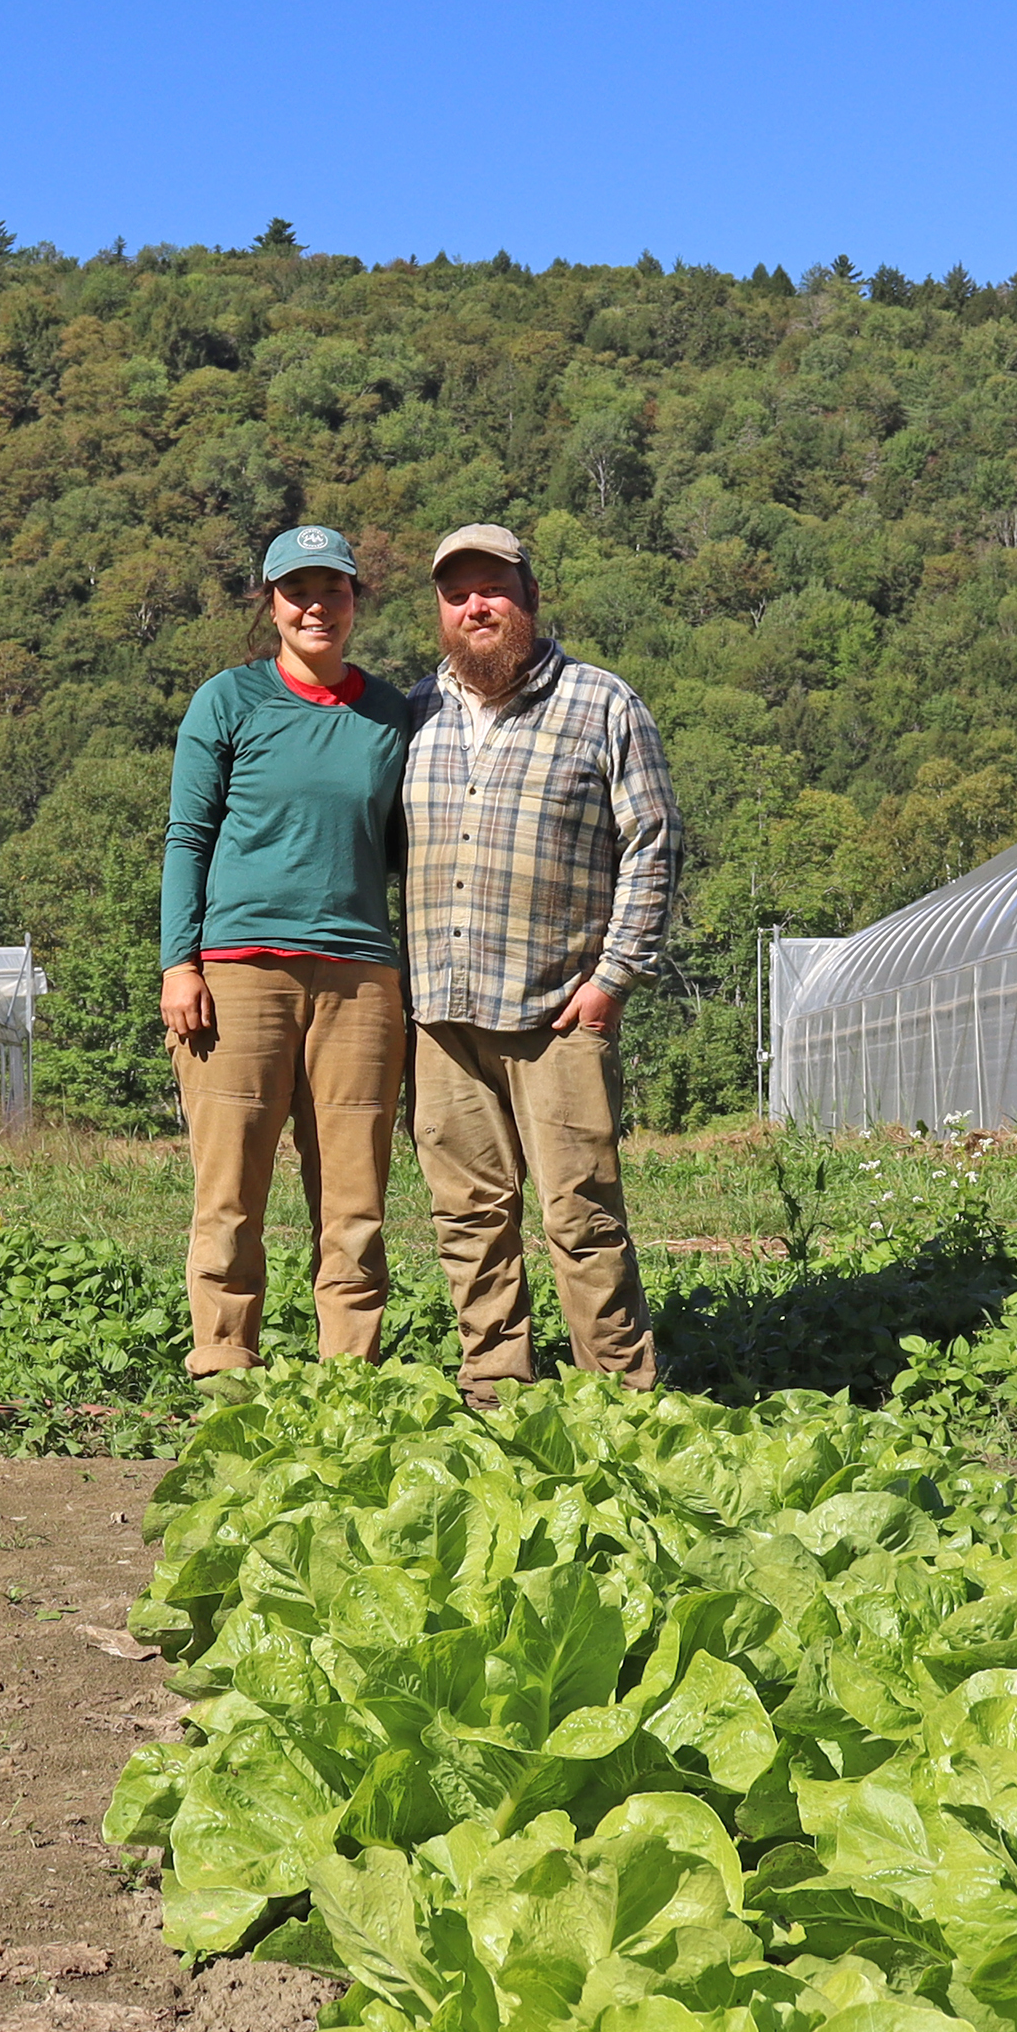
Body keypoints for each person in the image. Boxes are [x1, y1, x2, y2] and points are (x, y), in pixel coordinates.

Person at [402, 523, 679, 1391]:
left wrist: (613, 979)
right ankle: (496, 1389)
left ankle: (621, 1396)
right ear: (442, 611)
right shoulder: (415, 711)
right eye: (458, 593)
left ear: (530, 597)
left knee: (583, 1215)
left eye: (494, 588)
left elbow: (654, 844)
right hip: (441, 1018)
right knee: (468, 1219)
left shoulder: (602, 704)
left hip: (558, 1010)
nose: (475, 606)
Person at [158, 525, 412, 1377]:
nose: (316, 606)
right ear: (270, 602)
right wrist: (178, 963)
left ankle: (350, 1374)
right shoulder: (228, 701)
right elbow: (187, 838)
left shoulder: (392, 715)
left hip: (360, 979)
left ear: (354, 602)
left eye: (332, 591)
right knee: (231, 1188)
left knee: (353, 1197)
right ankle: (225, 1361)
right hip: (239, 975)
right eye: (297, 591)